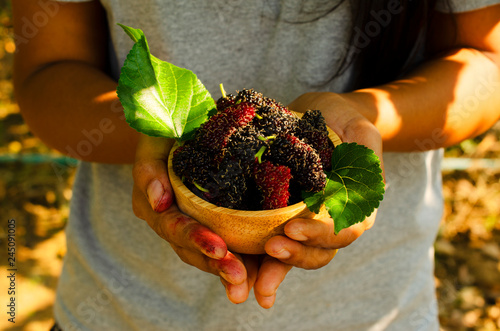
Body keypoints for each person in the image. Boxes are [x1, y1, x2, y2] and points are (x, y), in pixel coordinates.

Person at [13, 0, 500, 330]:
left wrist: (365, 114)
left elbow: (486, 59)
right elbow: (47, 69)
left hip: (371, 312)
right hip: (122, 310)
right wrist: (153, 132)